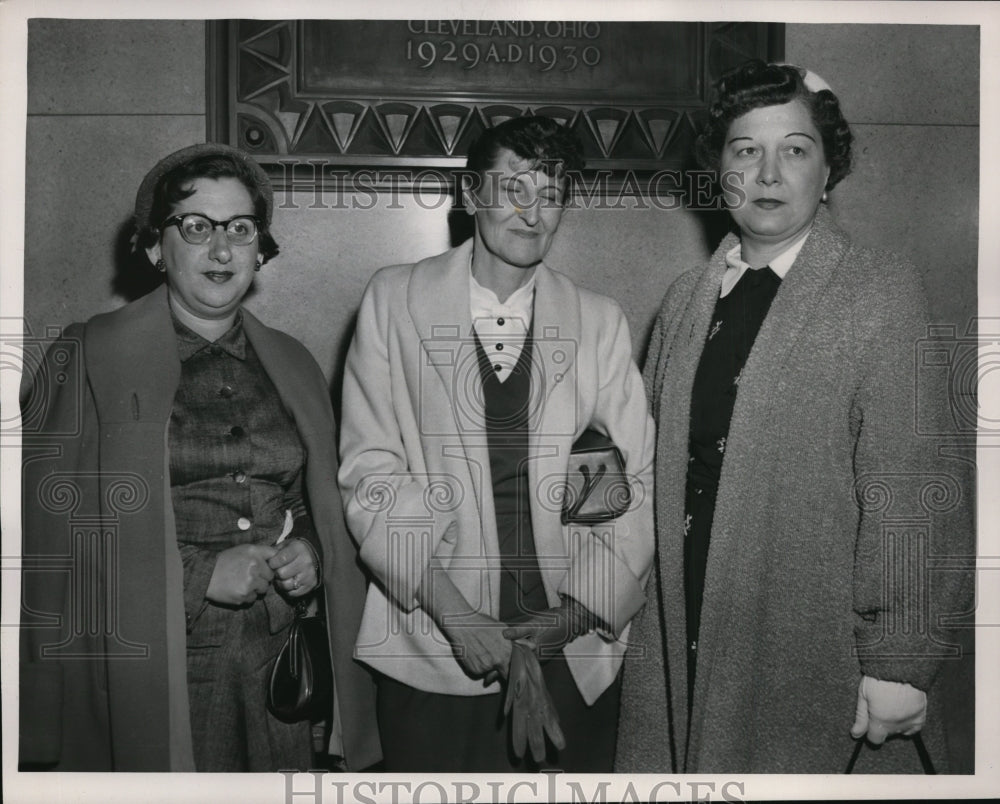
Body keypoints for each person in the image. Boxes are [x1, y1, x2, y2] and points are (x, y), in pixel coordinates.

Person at [615, 61, 973, 773]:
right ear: (720, 170)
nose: (770, 173)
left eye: (796, 150)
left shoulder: (877, 289)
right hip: (680, 630)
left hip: (807, 650)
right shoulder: (687, 297)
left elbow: (915, 486)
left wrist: (901, 659)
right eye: (747, 150)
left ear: (828, 169)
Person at [19, 143, 380, 772]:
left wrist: (313, 554)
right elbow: (46, 533)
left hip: (276, 666)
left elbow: (311, 500)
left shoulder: (293, 362)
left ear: (259, 250)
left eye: (240, 230)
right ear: (156, 247)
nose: (221, 250)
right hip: (155, 663)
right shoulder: (84, 356)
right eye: (196, 227)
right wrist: (195, 575)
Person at [337, 116, 655, 771]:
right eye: (513, 187)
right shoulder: (393, 300)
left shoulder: (599, 321)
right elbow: (371, 472)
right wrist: (457, 617)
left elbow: (636, 486)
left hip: (572, 653)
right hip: (433, 646)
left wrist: (567, 619)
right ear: (472, 193)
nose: (531, 212)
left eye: (551, 193)